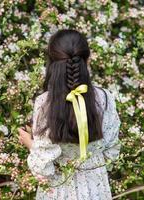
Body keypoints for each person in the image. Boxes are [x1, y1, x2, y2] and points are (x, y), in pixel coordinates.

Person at [18, 29, 121, 200]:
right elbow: (111, 152)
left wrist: (31, 144)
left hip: (59, 190)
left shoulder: (45, 103)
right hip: (96, 187)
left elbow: (45, 169)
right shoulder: (104, 98)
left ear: (51, 63)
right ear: (87, 60)